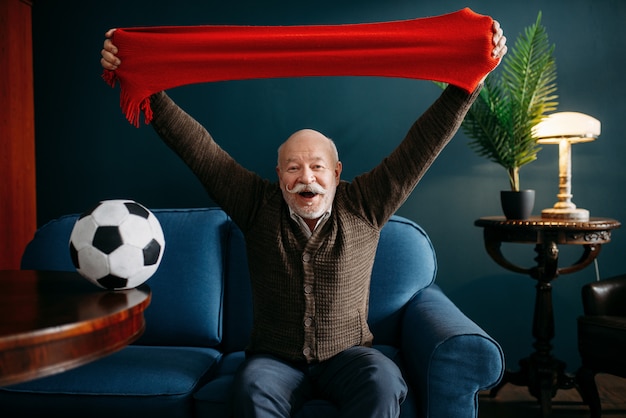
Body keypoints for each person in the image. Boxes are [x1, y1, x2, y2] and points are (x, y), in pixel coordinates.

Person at [101, 19, 506, 418]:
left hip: (350, 356)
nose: (305, 178)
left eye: (316, 167)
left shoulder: (366, 203)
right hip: (274, 362)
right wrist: (137, 74)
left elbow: (424, 142)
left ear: (336, 173)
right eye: (293, 168)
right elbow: (196, 147)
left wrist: (473, 73)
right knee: (251, 389)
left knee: (383, 382)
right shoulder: (256, 205)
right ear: (279, 177)